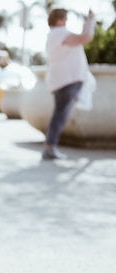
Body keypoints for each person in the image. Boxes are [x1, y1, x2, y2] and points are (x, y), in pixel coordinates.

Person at [43, 8, 96, 160]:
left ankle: (50, 147)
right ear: (59, 19)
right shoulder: (59, 32)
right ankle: (49, 148)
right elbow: (85, 37)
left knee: (59, 114)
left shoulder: (55, 34)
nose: (66, 20)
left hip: (64, 80)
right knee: (60, 115)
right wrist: (90, 21)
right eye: (65, 18)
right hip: (66, 81)